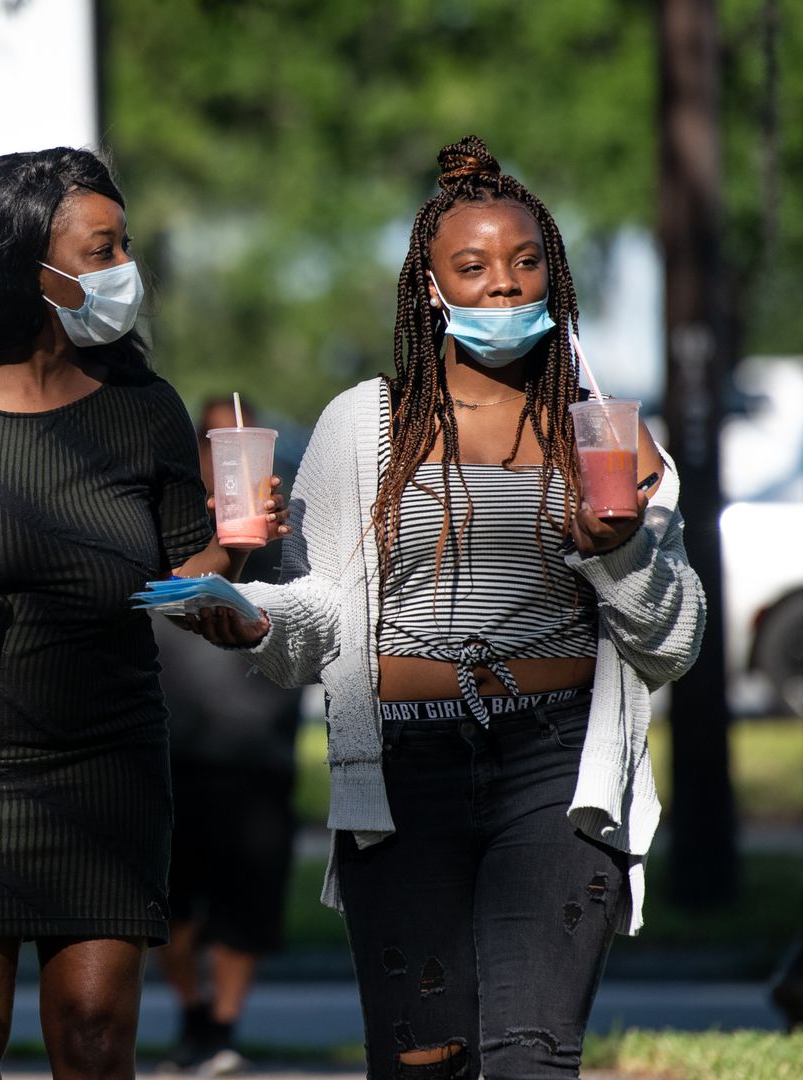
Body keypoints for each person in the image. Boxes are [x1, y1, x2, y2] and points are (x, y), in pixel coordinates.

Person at [186, 137, 706, 1078]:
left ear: (554, 274)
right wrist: (258, 619)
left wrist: (623, 548)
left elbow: (672, 644)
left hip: (554, 770)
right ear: (432, 290)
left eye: (524, 262)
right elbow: (329, 609)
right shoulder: (364, 424)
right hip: (402, 770)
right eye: (472, 267)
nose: (503, 285)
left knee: (529, 1061)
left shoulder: (608, 434)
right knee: (423, 1061)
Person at [0, 147, 286, 1079]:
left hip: (107, 764)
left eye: (123, 245)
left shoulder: (143, 408)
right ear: (24, 267)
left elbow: (178, 563)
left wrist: (229, 562)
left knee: (94, 1036)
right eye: (100, 247)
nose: (123, 269)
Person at [154, 396, 303, 1077]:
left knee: (246, 909)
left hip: (258, 754)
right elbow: (162, 595)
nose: (234, 453)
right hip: (171, 749)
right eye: (221, 441)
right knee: (172, 906)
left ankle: (221, 1027)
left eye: (248, 442)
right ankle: (192, 1016)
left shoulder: (292, 531)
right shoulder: (167, 519)